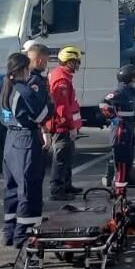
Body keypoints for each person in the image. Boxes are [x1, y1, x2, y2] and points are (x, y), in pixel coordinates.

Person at [0, 52, 53, 247]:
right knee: (29, 187)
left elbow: (3, 117)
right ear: (24, 69)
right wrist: (49, 102)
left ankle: (9, 231)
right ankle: (23, 234)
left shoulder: (5, 87)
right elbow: (42, 114)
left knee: (12, 187)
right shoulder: (24, 90)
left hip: (10, 139)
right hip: (25, 140)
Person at [47, 46, 83, 201]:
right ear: (68, 61)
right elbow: (62, 108)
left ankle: (66, 185)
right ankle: (57, 189)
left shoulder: (63, 76)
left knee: (68, 156)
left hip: (65, 125)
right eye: (75, 62)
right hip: (62, 126)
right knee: (61, 158)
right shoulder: (62, 80)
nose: (78, 65)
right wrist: (70, 126)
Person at [100, 65, 135, 194]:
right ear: (131, 78)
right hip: (121, 132)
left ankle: (120, 191)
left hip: (128, 130)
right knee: (122, 163)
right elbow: (104, 103)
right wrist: (114, 118)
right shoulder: (121, 91)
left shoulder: (130, 91)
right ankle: (119, 193)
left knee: (127, 163)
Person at [22, 41, 54, 148]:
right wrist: (44, 129)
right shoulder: (35, 80)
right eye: (46, 61)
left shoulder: (24, 77)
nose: (46, 64)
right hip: (33, 131)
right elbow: (37, 109)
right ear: (40, 61)